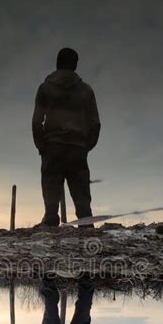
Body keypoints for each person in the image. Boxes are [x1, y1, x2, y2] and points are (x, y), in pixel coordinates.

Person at [32, 47, 101, 227]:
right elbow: (95, 123)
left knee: (51, 189)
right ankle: (86, 226)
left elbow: (37, 121)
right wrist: (85, 146)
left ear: (57, 62)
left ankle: (50, 222)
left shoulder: (45, 88)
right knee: (81, 193)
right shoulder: (86, 91)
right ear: (75, 65)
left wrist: (42, 145)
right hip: (77, 148)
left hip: (52, 146)